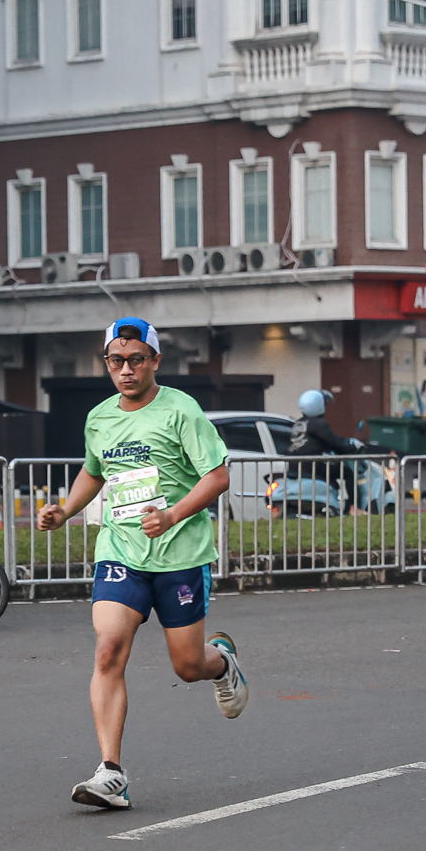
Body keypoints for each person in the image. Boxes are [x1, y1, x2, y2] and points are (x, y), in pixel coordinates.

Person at [35, 317, 249, 810]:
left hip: (180, 555)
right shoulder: (99, 417)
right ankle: (111, 773)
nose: (126, 370)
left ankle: (221, 663)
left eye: (136, 360)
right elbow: (94, 472)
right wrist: (65, 511)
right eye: (116, 361)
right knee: (108, 648)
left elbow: (217, 477)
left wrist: (172, 514)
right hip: (121, 551)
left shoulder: (181, 410)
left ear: (155, 361)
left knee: (187, 665)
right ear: (107, 363)